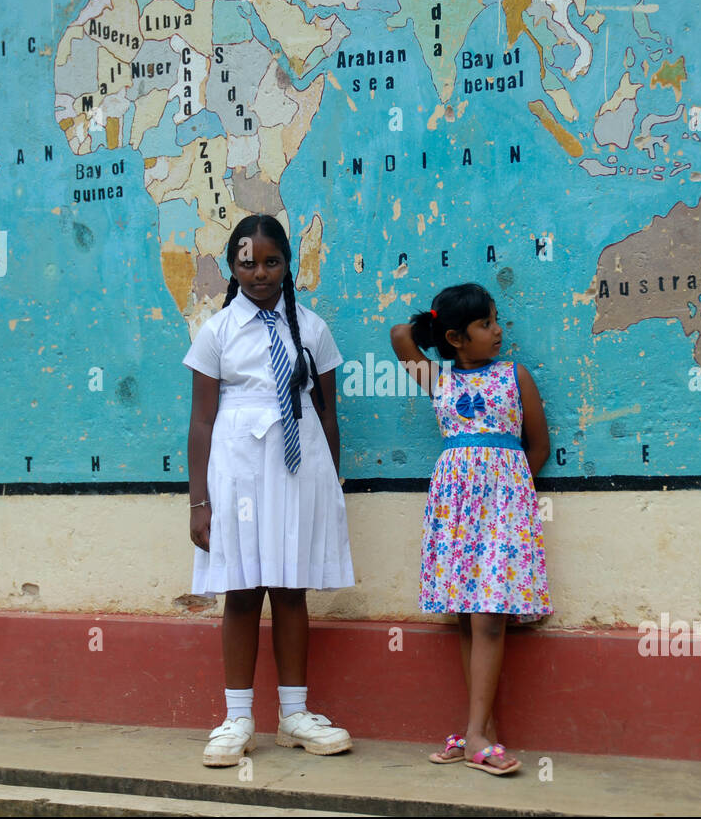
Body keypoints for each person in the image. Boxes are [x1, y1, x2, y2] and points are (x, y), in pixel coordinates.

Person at [184, 213, 353, 767]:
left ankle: (294, 714)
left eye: (271, 261)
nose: (259, 273)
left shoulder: (313, 329)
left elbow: (327, 416)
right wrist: (199, 502)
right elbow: (202, 422)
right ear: (232, 266)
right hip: (237, 470)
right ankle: (237, 717)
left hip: (298, 468)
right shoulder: (217, 333)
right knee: (241, 589)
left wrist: (330, 484)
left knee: (289, 587)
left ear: (288, 264)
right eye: (246, 262)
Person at [389, 282, 553, 775]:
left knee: (489, 617)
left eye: (496, 319)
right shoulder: (439, 381)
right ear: (457, 338)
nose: (498, 330)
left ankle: (477, 734)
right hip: (456, 511)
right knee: (467, 616)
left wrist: (512, 497)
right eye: (486, 324)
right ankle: (482, 732)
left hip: (505, 508)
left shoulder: (513, 375)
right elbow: (400, 335)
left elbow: (538, 445)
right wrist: (432, 324)